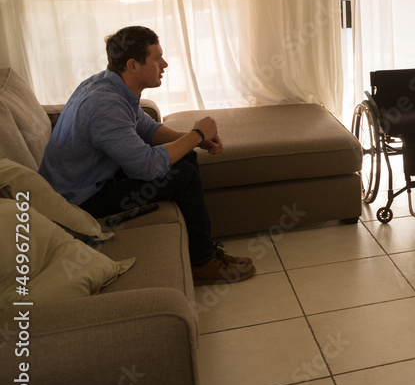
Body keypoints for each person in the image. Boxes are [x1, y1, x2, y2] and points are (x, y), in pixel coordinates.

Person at [39, 26, 255, 285]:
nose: (164, 64)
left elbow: (147, 129)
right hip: (79, 200)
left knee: (185, 157)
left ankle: (202, 251)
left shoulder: (109, 85)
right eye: (156, 58)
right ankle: (202, 263)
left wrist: (195, 140)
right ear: (132, 65)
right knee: (183, 174)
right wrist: (196, 134)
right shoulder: (104, 105)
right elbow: (148, 167)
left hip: (89, 181)